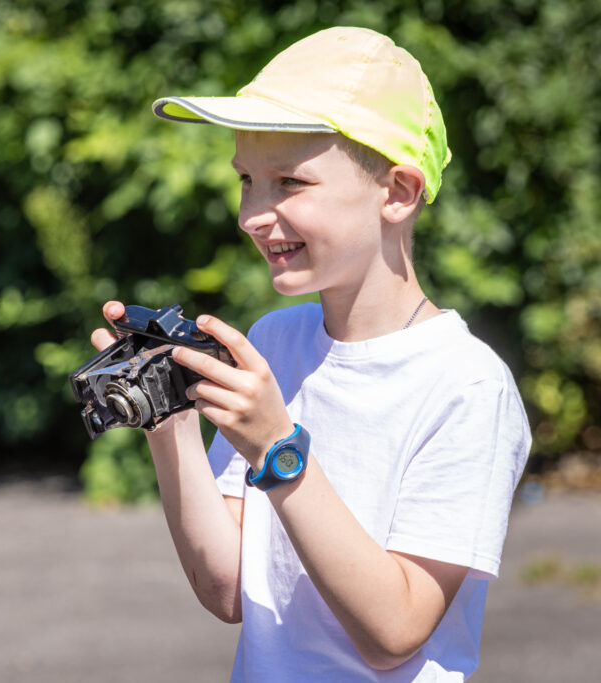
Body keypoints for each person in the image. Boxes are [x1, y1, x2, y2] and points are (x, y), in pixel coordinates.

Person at [90, 27, 530, 681]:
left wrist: (280, 452)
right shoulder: (275, 341)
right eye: (246, 180)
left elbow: (395, 631)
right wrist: (169, 418)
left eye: (289, 182)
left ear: (398, 192)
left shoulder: (467, 385)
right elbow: (228, 588)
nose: (252, 214)